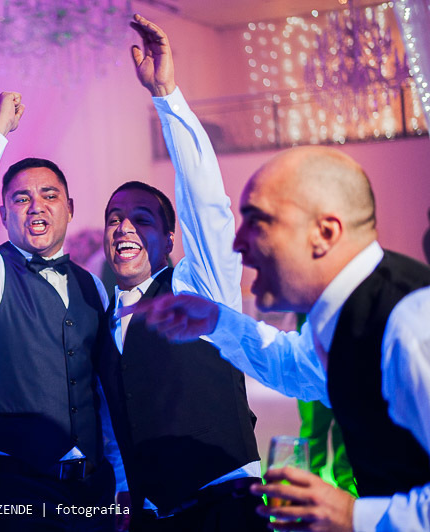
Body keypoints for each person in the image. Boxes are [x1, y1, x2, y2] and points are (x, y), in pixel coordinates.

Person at [130, 145, 430, 531]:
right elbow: (296, 367)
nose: (238, 243)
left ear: (324, 233)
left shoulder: (410, 322)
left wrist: (353, 516)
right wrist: (218, 321)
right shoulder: (350, 314)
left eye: (258, 221)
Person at [94, 14, 265, 532]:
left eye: (141, 219)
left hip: (227, 505)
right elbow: (113, 423)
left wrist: (166, 97)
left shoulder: (199, 287)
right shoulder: (100, 322)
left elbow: (207, 204)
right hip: (150, 517)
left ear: (170, 240)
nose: (124, 227)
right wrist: (124, 492)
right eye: (114, 218)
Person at [0, 92, 126, 529]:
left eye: (49, 195)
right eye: (21, 199)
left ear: (70, 209)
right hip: (10, 492)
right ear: (2, 214)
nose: (36, 206)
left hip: (91, 492)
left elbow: (100, 392)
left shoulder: (92, 285)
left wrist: (119, 478)